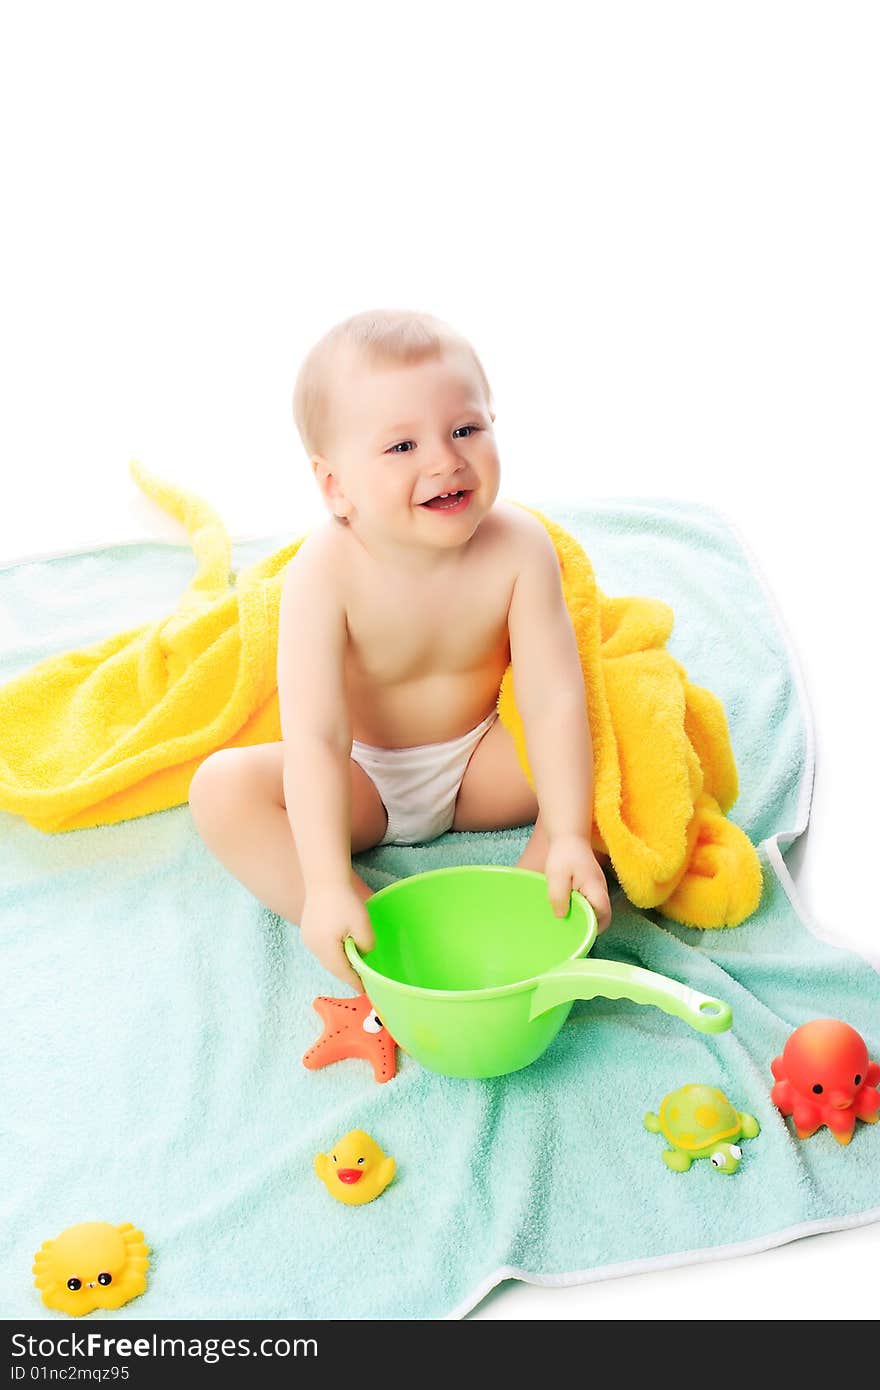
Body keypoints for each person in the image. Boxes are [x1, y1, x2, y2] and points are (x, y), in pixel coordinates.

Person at [189, 308, 612, 992]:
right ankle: (354, 922)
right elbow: (318, 738)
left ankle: (554, 868)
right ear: (335, 487)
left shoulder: (519, 549)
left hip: (482, 766)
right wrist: (325, 879)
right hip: (363, 781)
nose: (446, 460)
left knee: (611, 754)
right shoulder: (323, 575)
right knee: (221, 792)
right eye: (401, 448)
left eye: (464, 429)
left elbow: (552, 697)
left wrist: (563, 830)